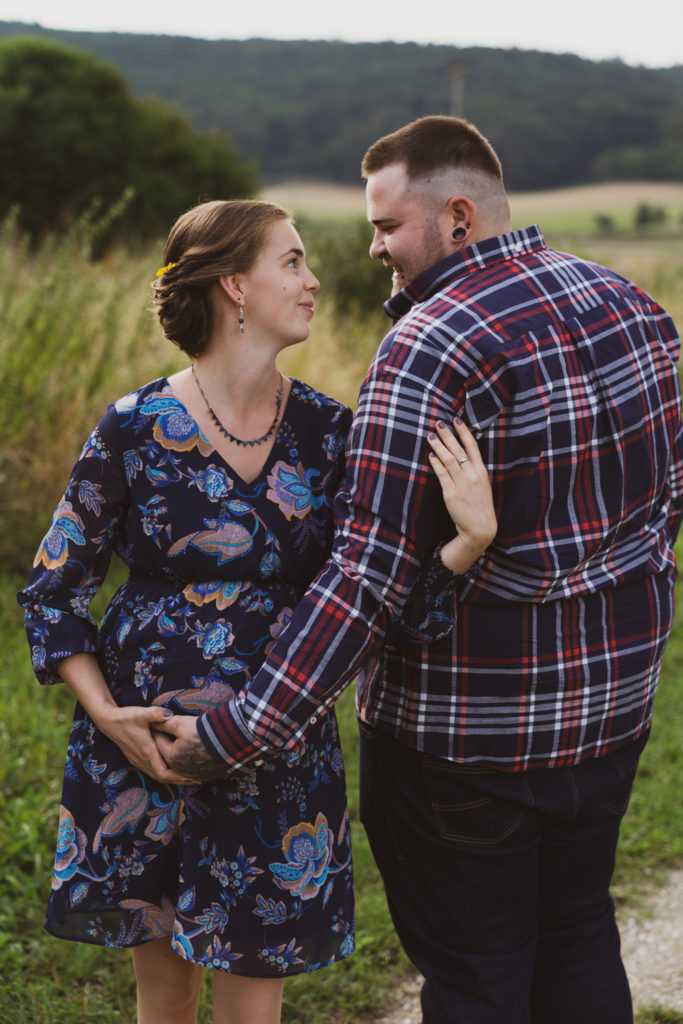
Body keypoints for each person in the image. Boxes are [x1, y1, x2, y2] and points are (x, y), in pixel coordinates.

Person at [156, 119, 683, 1024]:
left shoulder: (430, 344)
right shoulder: (629, 304)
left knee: (477, 977)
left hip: (464, 745)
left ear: (458, 217)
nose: (372, 248)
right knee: (577, 935)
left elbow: (365, 574)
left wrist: (234, 734)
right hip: (610, 713)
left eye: (388, 226)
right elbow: (665, 498)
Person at [17, 197, 496, 1024]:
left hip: (271, 750)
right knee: (165, 995)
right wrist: (109, 718)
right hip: (144, 754)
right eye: (292, 261)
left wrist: (467, 542)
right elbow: (53, 588)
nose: (314, 282)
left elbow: (380, 604)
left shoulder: (331, 434)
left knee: (251, 1005)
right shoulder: (133, 428)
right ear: (234, 284)